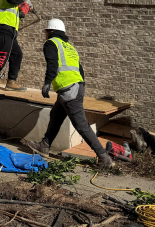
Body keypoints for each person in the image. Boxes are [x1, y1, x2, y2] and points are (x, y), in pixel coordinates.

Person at [26, 19, 113, 168]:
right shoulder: (69, 47)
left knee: (81, 125)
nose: (45, 35)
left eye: (46, 32)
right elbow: (80, 69)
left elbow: (52, 63)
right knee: (56, 115)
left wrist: (47, 82)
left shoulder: (51, 43)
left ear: (50, 32)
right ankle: (45, 145)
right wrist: (80, 87)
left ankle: (104, 157)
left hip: (68, 90)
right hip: (75, 87)